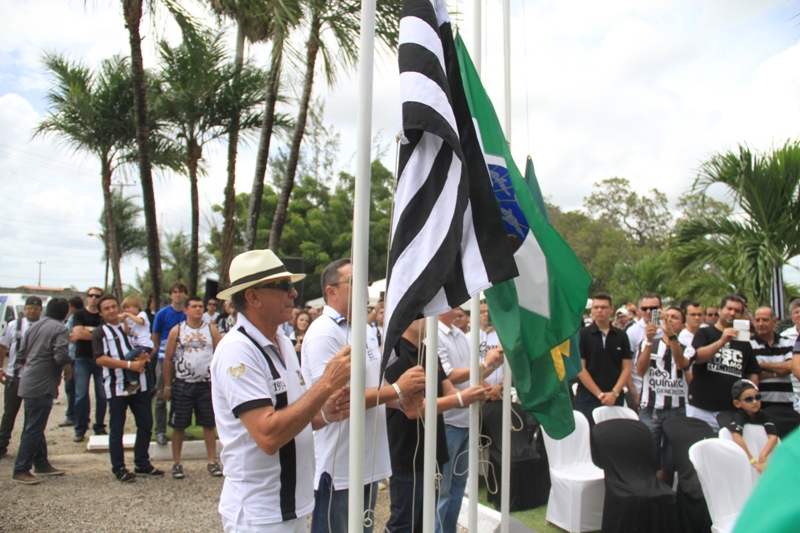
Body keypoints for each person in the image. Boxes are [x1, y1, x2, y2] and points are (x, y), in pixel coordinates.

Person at [211, 250, 352, 533]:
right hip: (259, 512)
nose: (293, 293)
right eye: (283, 286)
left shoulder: (282, 343)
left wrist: (325, 412)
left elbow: (293, 416)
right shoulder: (237, 351)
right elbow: (268, 434)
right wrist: (325, 384)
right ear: (253, 297)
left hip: (289, 507)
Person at [302, 258, 425, 533]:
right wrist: (396, 389)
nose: (365, 291)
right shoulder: (324, 332)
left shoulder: (366, 330)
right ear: (331, 291)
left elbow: (373, 386)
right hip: (340, 465)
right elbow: (338, 399)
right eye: (355, 283)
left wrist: (400, 399)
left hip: (368, 459)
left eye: (366, 284)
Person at [385, 318, 488, 533]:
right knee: (404, 522)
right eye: (424, 314)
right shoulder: (395, 353)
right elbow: (412, 409)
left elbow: (448, 389)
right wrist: (461, 400)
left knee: (425, 521)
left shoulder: (427, 350)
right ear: (410, 318)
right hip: (407, 451)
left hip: (433, 448)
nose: (431, 319)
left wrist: (474, 395)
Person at [435, 307, 503, 533]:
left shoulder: (460, 336)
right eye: (454, 304)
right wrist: (485, 364)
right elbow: (449, 375)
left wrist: (493, 364)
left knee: (457, 488)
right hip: (449, 421)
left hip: (467, 419)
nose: (459, 310)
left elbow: (472, 374)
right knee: (443, 490)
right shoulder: (434, 334)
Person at [93, 295, 163, 483]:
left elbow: (149, 348)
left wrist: (140, 361)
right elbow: (100, 359)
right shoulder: (101, 332)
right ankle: (119, 467)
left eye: (113, 306)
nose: (111, 311)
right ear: (101, 312)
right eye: (106, 308)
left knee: (146, 423)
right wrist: (128, 365)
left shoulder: (131, 328)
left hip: (139, 385)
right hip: (117, 386)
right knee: (117, 428)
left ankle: (142, 462)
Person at [677, 294, 760, 431]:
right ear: (720, 310)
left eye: (737, 311)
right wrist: (722, 341)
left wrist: (750, 399)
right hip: (701, 407)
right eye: (729, 309)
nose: (732, 313)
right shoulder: (705, 333)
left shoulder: (744, 341)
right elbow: (698, 357)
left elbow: (752, 372)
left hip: (730, 409)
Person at [11, 298, 71, 484]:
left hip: (28, 381)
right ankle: (21, 469)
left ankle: (41, 463)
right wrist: (68, 370)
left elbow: (20, 355)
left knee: (34, 424)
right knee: (33, 428)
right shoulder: (60, 329)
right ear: (64, 313)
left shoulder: (33, 327)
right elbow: (60, 355)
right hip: (42, 384)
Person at [163, 296, 222, 479]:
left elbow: (220, 354)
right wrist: (167, 385)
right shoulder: (177, 330)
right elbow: (168, 358)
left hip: (205, 384)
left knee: (208, 423)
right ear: (186, 310)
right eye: (194, 307)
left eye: (200, 307)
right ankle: (177, 462)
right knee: (178, 424)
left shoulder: (211, 329)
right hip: (183, 383)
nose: (198, 309)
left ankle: (212, 460)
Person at [636, 305, 689, 484]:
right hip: (651, 410)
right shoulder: (648, 343)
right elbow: (640, 370)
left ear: (682, 325)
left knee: (670, 463)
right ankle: (649, 498)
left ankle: (665, 498)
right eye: (667, 316)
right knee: (648, 459)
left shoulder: (688, 347)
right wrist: (649, 341)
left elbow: (682, 364)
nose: (669, 320)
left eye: (675, 318)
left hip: (677, 411)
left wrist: (672, 337)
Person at [575, 292, 632, 428]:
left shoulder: (621, 336)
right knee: (589, 438)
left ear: (611, 309)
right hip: (588, 397)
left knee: (613, 438)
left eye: (604, 307)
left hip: (615, 397)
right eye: (596, 307)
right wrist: (599, 394)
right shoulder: (583, 335)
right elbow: (580, 368)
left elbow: (626, 367)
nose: (599, 311)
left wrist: (614, 393)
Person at [0, 296, 42, 456]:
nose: (32, 311)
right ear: (24, 309)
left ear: (41, 310)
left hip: (35, 378)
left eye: (36, 308)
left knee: (31, 416)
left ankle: (30, 449)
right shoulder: (14, 325)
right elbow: (2, 346)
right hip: (14, 376)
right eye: (29, 308)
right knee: (9, 413)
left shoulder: (43, 326)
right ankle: (2, 445)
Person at [151, 282, 188, 445]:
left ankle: (180, 428)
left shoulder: (188, 314)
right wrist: (164, 353)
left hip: (184, 360)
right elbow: (155, 336)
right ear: (171, 295)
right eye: (175, 292)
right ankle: (160, 430)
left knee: (181, 396)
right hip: (164, 359)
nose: (178, 295)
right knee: (161, 395)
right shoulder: (162, 314)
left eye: (181, 292)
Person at [71, 287, 107, 442]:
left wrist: (89, 331)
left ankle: (99, 426)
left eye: (97, 296)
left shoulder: (103, 316)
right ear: (86, 297)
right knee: (81, 395)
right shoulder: (79, 314)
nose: (93, 298)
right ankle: (80, 428)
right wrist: (96, 333)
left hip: (100, 359)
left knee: (102, 395)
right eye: (91, 295)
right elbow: (78, 334)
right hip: (82, 358)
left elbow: (106, 335)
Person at [727, 379, 778, 474]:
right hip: (744, 459)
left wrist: (763, 455)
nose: (755, 402)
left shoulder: (764, 415)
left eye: (757, 397)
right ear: (737, 403)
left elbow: (773, 437)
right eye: (749, 399)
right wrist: (753, 461)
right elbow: (737, 438)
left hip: (759, 453)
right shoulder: (739, 416)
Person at [750, 307, 794, 409]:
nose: (761, 324)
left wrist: (761, 365)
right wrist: (778, 372)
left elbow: (791, 366)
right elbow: (749, 375)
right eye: (757, 320)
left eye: (765, 320)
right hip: (759, 405)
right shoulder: (748, 345)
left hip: (785, 405)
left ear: (775, 322)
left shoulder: (787, 342)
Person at [626, 292, 662, 411]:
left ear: (661, 309)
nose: (648, 312)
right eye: (645, 308)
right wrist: (634, 393)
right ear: (638, 310)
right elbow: (626, 365)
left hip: (664, 391)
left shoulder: (667, 329)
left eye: (653, 308)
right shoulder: (632, 331)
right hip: (641, 390)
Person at [120, 295, 154, 396]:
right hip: (137, 345)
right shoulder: (130, 320)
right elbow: (127, 332)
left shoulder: (142, 314)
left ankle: (133, 382)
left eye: (128, 307)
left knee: (128, 357)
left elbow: (140, 321)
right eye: (125, 308)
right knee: (146, 367)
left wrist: (129, 315)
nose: (126, 310)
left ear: (137, 307)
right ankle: (152, 387)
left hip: (144, 345)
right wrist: (125, 320)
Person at [58, 296, 84, 428]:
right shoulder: (78, 317)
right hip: (74, 355)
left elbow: (68, 336)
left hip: (74, 357)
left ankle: (73, 416)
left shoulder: (75, 318)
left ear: (72, 307)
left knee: (72, 388)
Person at [781, 298, 800, 414]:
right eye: (796, 312)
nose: (799, 315)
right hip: (792, 392)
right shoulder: (784, 336)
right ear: (791, 317)